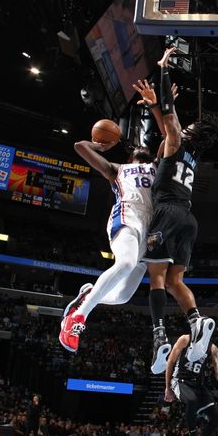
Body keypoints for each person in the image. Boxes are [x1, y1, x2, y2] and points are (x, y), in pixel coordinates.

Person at [132, 47, 218, 374]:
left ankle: (159, 336)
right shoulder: (190, 156)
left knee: (156, 278)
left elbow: (169, 117)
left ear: (190, 132)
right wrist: (156, 104)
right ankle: (196, 321)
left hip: (167, 213)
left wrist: (163, 68)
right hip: (188, 219)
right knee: (174, 281)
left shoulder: (178, 140)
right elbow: (165, 124)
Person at [59, 131, 158, 352]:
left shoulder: (158, 167)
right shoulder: (117, 169)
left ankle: (87, 295)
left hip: (150, 232)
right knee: (124, 264)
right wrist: (97, 146)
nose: (142, 149)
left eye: (147, 151)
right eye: (135, 150)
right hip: (127, 216)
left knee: (122, 296)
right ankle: (76, 319)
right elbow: (79, 146)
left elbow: (171, 139)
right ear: (130, 158)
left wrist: (164, 107)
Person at [164, 334, 218, 436]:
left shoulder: (212, 348)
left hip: (198, 385)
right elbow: (171, 361)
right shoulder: (185, 340)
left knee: (217, 418)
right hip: (180, 380)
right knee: (191, 400)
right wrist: (168, 388)